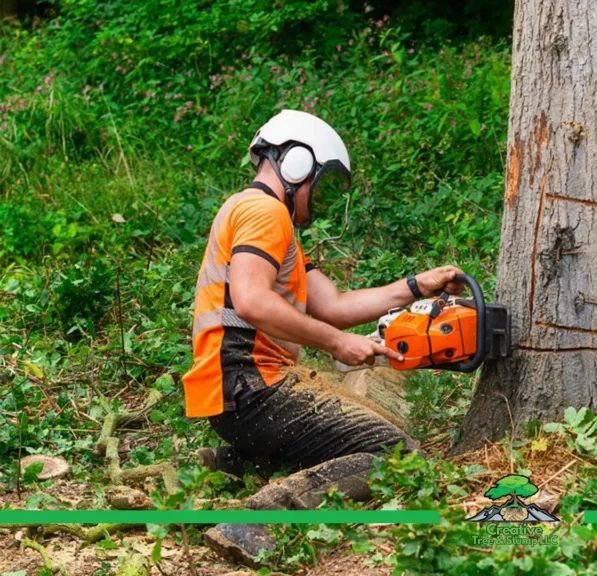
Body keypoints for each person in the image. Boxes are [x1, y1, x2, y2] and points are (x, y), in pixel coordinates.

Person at [182, 109, 464, 564]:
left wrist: (415, 286)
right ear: (295, 163)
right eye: (322, 182)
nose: (320, 199)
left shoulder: (265, 220)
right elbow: (252, 301)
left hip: (232, 395)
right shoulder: (264, 212)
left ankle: (239, 462)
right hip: (253, 388)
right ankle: (262, 517)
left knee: (344, 438)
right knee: (394, 451)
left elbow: (333, 306)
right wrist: (335, 344)